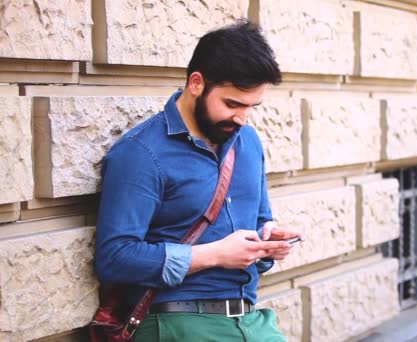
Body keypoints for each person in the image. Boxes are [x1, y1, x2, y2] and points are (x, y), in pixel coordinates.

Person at [94, 20, 302, 342]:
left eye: (251, 107)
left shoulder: (248, 143)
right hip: (177, 323)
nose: (242, 118)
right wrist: (217, 254)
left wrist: (267, 242)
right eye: (232, 104)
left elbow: (260, 221)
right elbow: (114, 258)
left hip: (254, 321)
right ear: (196, 83)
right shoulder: (141, 153)